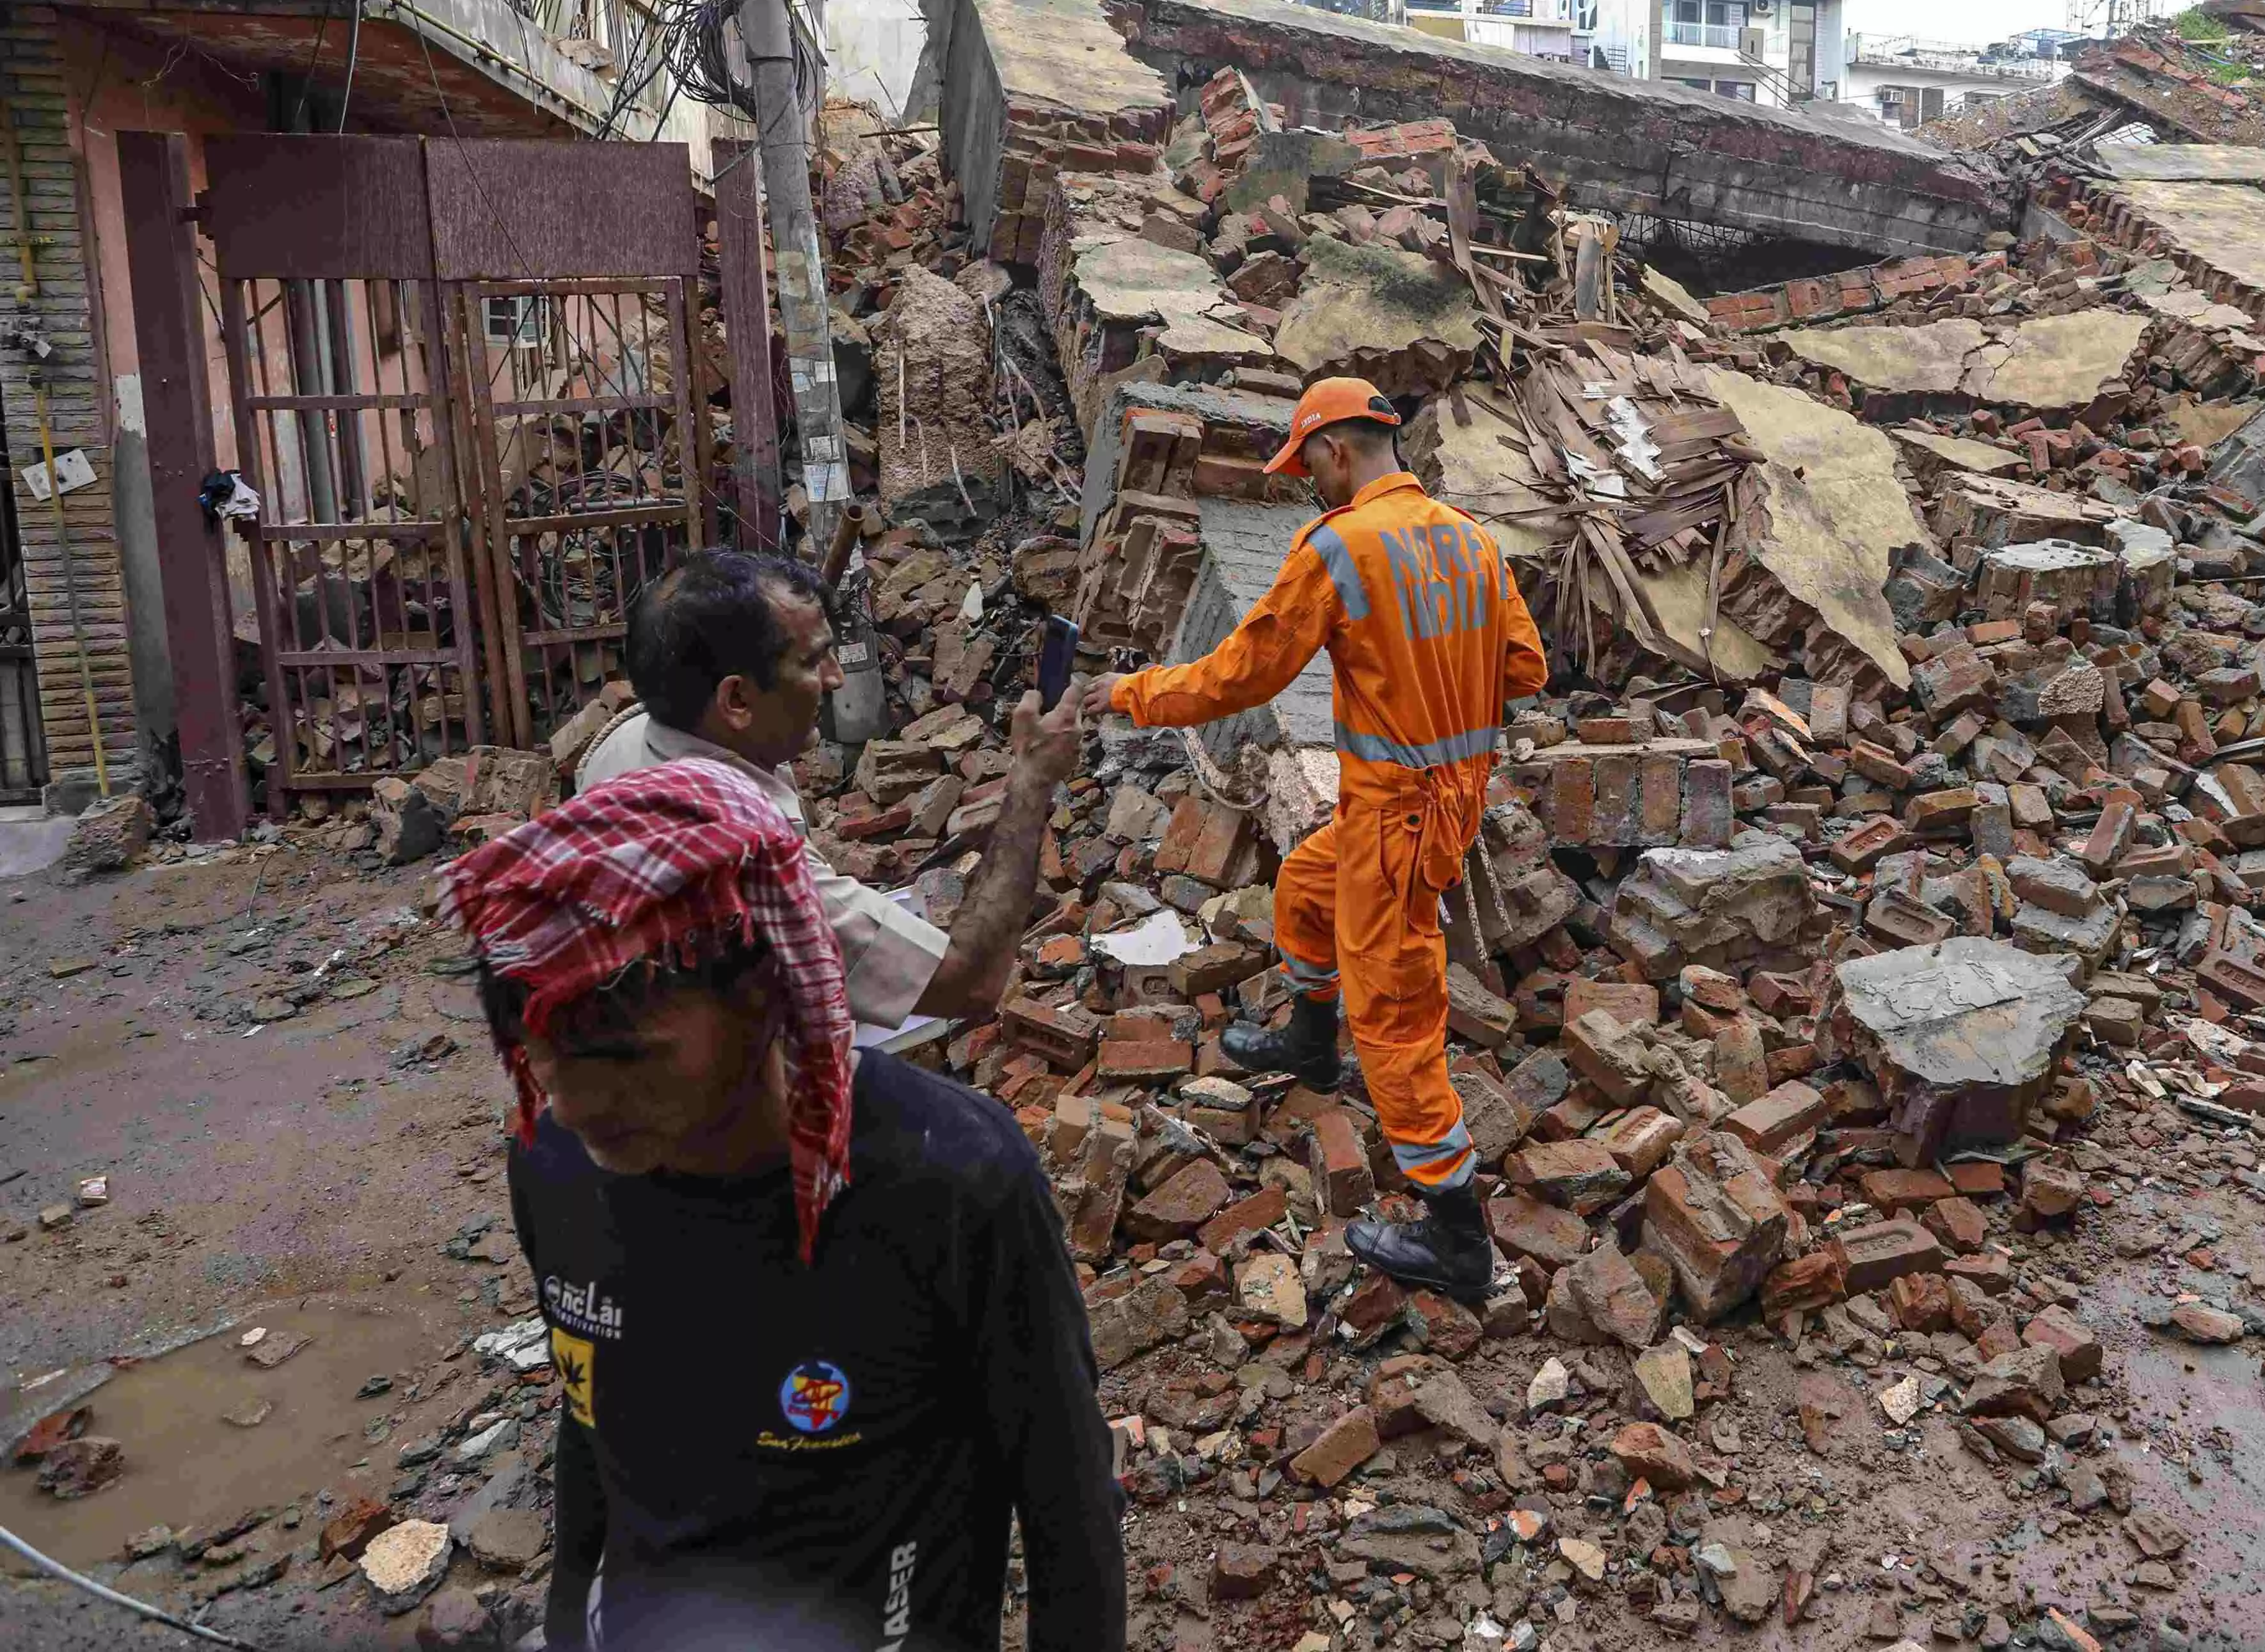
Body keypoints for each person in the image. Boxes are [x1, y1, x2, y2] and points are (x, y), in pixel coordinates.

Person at [445, 759, 1124, 1652]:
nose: (574, 1103)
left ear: (766, 991)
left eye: (628, 1058)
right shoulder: (553, 1161)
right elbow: (593, 1421)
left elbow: (1068, 1514)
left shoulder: (952, 1185)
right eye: (544, 1062)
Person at [1076, 377, 1546, 1305]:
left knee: (1399, 1024)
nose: (1311, 485)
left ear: (1336, 450)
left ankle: (1458, 1240)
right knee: (1304, 882)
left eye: (1309, 467)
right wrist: (1436, 686)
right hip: (1439, 807)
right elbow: (1522, 665)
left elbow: (1239, 678)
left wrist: (1128, 693)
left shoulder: (1340, 546)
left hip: (1399, 819)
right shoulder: (1471, 539)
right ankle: (1307, 1043)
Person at [578, 549, 1073, 1031]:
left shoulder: (630, 739)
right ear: (737, 699)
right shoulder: (749, 863)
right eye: (814, 660)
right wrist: (1031, 780)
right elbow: (970, 983)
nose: (836, 678)